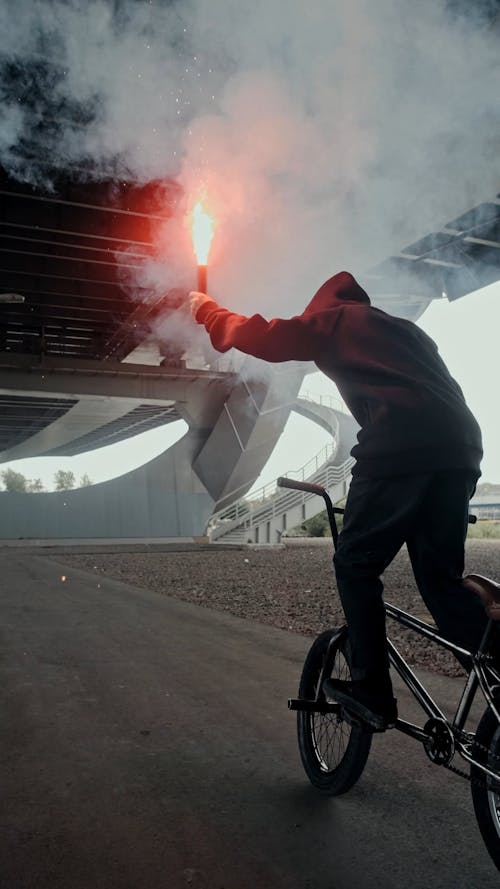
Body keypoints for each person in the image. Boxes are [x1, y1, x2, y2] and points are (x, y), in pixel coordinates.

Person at [190, 271, 487, 731]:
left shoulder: (335, 322)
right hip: (459, 450)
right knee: (441, 584)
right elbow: (443, 395)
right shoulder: (408, 332)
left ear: (323, 307)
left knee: (356, 564)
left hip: (400, 448)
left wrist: (208, 311)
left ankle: (371, 691)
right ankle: (496, 674)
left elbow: (267, 337)